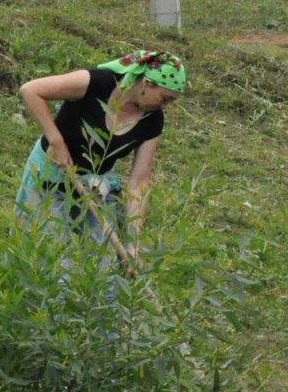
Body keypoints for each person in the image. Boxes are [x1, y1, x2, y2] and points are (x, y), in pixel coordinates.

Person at [15, 49, 187, 260]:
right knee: (54, 263)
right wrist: (56, 141)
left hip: (96, 189)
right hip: (51, 179)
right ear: (147, 83)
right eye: (165, 98)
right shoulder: (97, 82)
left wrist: (133, 242)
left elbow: (139, 182)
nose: (165, 106)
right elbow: (30, 90)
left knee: (104, 269)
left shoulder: (152, 120)